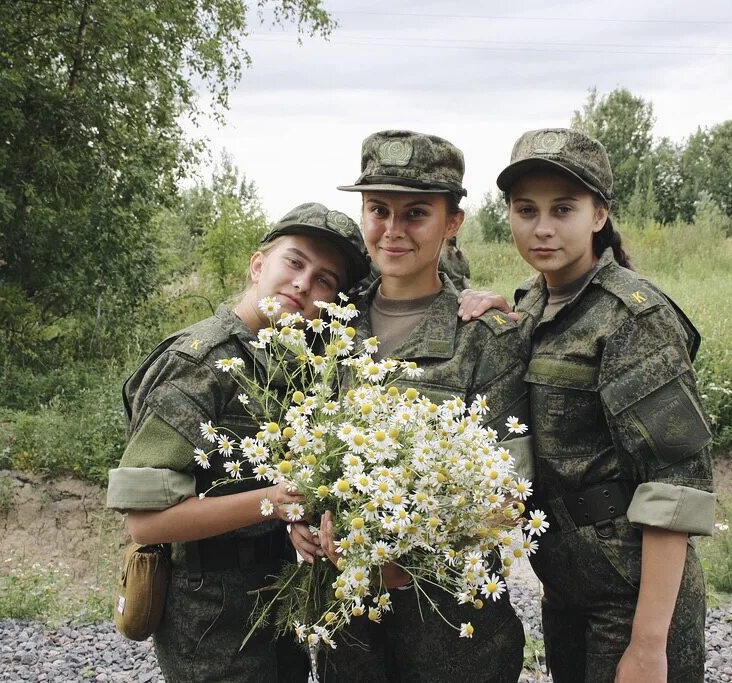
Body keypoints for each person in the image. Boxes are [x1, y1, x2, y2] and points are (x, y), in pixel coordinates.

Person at [463, 128, 715, 682]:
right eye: (526, 209)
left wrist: (648, 645)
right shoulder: (531, 303)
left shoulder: (634, 318)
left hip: (629, 594)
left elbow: (675, 486)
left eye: (564, 209)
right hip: (566, 585)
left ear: (599, 215)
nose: (543, 227)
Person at [290, 130, 531, 683]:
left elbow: (511, 495)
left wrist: (405, 559)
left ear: (452, 223)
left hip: (451, 634)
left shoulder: (484, 336)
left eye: (416, 213)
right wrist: (298, 525)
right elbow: (298, 448)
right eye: (379, 210)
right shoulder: (328, 325)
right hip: (350, 630)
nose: (393, 230)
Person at [105, 203, 369, 683]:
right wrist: (272, 503)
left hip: (269, 591)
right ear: (257, 264)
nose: (304, 284)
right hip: (208, 610)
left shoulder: (282, 361)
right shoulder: (199, 362)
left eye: (326, 280)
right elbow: (144, 524)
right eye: (294, 261)